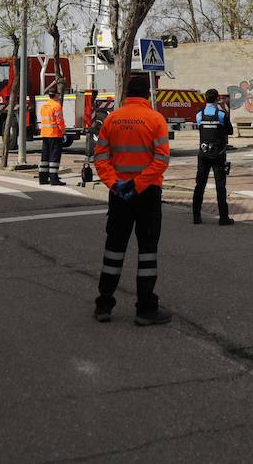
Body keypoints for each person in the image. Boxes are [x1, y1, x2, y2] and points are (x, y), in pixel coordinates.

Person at [92, 74, 172, 326]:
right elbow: (161, 160)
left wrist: (115, 183)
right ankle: (145, 309)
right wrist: (138, 184)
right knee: (147, 251)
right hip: (146, 193)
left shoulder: (112, 119)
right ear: (147, 94)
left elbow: (101, 157)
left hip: (119, 194)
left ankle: (104, 304)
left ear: (127, 93)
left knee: (114, 248)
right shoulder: (155, 119)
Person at [192, 88, 234, 226]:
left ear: (205, 99)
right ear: (217, 100)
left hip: (203, 154)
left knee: (200, 185)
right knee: (220, 186)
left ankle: (196, 216)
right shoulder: (221, 114)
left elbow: (200, 127)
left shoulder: (199, 114)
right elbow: (230, 131)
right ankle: (223, 218)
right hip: (218, 154)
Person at [38, 86, 66, 186]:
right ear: (55, 95)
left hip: (45, 134)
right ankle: (54, 179)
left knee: (45, 156)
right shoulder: (56, 106)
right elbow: (60, 122)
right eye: (58, 94)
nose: (59, 96)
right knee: (54, 157)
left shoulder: (44, 106)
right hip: (54, 134)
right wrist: (63, 131)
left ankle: (43, 178)